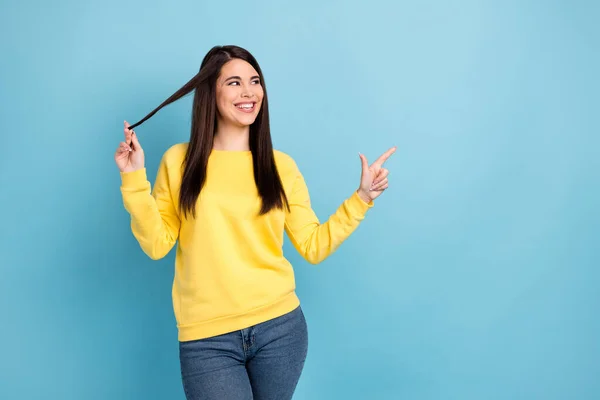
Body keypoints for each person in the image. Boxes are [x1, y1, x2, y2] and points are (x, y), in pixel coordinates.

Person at [114, 45, 395, 400]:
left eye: (255, 81)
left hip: (281, 329)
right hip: (207, 338)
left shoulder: (281, 166)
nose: (249, 92)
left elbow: (313, 245)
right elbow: (157, 245)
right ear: (209, 94)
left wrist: (362, 199)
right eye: (234, 82)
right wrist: (134, 180)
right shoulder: (179, 161)